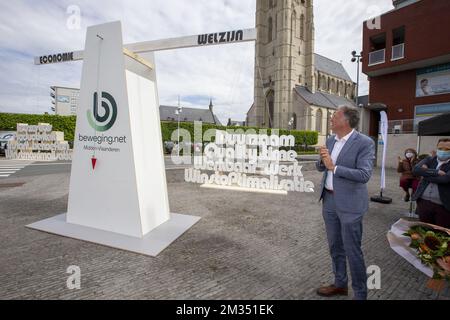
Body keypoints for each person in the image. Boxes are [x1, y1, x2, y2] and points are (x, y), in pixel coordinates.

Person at [315, 105, 375, 300]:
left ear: (346, 120)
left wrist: (334, 167)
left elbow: (364, 174)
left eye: (334, 116)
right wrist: (322, 160)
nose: (331, 118)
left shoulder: (364, 142)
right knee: (335, 247)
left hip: (351, 205)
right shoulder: (331, 139)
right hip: (329, 200)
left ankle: (360, 294)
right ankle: (340, 284)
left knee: (352, 250)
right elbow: (322, 167)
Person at [412, 138, 450, 228]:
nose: (443, 151)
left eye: (447, 149)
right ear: (437, 148)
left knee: (441, 232)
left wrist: (425, 173)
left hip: (443, 205)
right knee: (424, 230)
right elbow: (415, 170)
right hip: (423, 202)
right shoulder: (429, 159)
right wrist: (436, 172)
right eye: (440, 148)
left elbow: (446, 179)